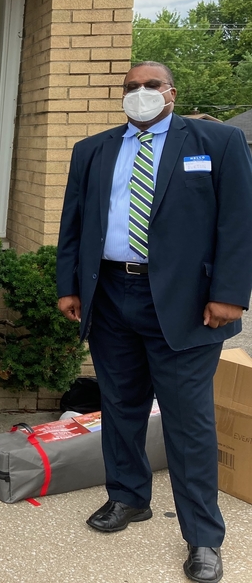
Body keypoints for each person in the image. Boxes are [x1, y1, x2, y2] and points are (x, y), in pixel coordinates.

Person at [56, 61, 252, 583]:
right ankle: (127, 498)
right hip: (111, 295)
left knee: (189, 424)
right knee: (120, 406)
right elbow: (73, 222)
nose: (140, 93)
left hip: (187, 303)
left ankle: (203, 538)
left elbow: (239, 220)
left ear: (171, 92)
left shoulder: (218, 142)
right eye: (131, 87)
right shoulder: (92, 150)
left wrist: (230, 294)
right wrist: (68, 285)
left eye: (150, 86)